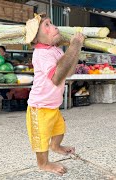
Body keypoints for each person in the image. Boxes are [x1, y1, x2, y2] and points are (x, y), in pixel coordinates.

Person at [26, 15, 84, 176]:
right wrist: (73, 47)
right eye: (47, 25)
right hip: (40, 106)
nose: (54, 27)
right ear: (37, 37)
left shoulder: (55, 49)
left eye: (51, 23)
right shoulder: (40, 53)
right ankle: (43, 163)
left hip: (53, 105)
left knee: (59, 128)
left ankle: (56, 146)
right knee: (41, 136)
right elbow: (57, 77)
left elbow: (69, 71)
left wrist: (76, 48)